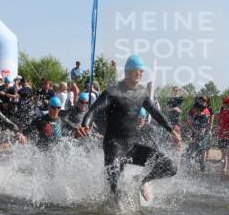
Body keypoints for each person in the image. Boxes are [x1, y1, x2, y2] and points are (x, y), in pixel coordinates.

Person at [77, 55, 181, 202]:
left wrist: (171, 131)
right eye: (137, 70)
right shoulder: (112, 92)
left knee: (170, 167)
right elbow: (93, 110)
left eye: (142, 71)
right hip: (114, 147)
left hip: (131, 147)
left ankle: (139, 181)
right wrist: (85, 126)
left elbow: (155, 113)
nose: (140, 73)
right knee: (115, 192)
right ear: (128, 71)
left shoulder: (142, 93)